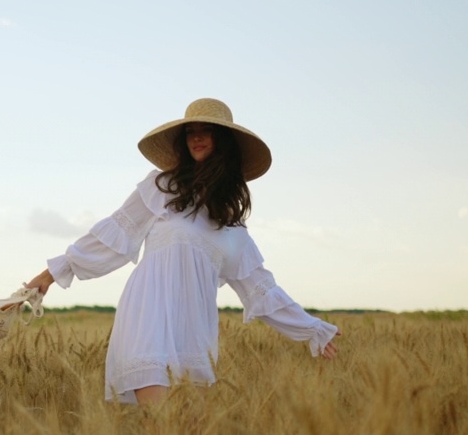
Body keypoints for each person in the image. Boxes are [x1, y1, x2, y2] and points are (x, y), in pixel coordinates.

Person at [21, 98, 340, 404]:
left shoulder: (232, 228)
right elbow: (114, 234)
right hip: (148, 317)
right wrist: (53, 272)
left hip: (193, 331)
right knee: (160, 422)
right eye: (191, 131)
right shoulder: (162, 187)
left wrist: (313, 329)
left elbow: (260, 289)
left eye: (207, 130)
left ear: (225, 141)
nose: (197, 138)